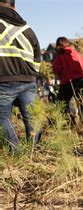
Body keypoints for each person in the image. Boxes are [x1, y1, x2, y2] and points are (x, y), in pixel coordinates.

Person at [0, 0, 41, 149]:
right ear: (14, 6)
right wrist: (33, 74)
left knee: (2, 118)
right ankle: (33, 150)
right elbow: (37, 54)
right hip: (28, 80)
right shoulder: (27, 28)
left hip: (3, 80)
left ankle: (15, 152)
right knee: (33, 117)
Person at [52, 37, 83, 126]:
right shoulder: (75, 52)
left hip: (67, 82)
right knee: (82, 103)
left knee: (62, 103)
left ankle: (71, 123)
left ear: (58, 45)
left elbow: (56, 69)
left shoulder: (59, 54)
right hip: (81, 80)